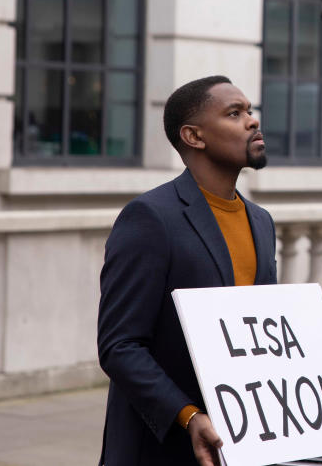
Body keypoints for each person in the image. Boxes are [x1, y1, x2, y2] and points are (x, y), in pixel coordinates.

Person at [97, 76, 276, 466]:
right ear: (194, 136)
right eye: (234, 113)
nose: (252, 121)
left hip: (241, 444)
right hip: (162, 449)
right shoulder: (149, 218)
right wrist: (189, 416)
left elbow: (268, 340)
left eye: (249, 110)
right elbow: (120, 346)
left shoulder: (261, 222)